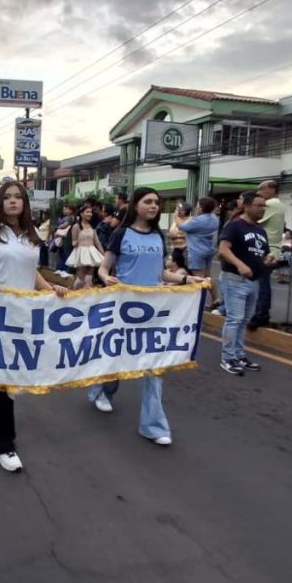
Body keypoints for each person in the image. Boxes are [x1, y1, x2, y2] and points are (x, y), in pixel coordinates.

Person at [0, 180, 68, 472]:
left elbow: (31, 271)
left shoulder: (30, 235)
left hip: (25, 314)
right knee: (5, 373)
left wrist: (50, 288)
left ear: (25, 203)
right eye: (7, 197)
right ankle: (4, 445)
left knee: (12, 371)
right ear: (0, 203)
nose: (13, 201)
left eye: (18, 197)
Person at [94, 187, 206, 443]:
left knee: (153, 369)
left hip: (154, 310)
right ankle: (102, 391)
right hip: (123, 308)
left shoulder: (158, 236)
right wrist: (104, 277)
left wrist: (187, 278)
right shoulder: (121, 234)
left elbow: (160, 275)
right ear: (136, 205)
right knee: (116, 359)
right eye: (148, 202)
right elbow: (104, 266)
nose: (154, 206)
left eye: (157, 202)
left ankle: (154, 427)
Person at [217, 192, 271, 376]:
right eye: (258, 205)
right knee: (234, 319)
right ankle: (228, 357)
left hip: (253, 280)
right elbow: (223, 249)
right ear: (247, 206)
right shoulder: (235, 226)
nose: (262, 209)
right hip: (234, 279)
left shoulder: (261, 231)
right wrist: (240, 264)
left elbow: (262, 254)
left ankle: (238, 354)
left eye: (264, 206)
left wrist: (268, 259)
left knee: (243, 321)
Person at [250, 180, 285, 328]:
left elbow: (253, 219)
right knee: (261, 283)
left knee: (262, 285)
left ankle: (261, 315)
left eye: (262, 189)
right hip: (271, 248)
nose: (259, 193)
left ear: (272, 189)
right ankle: (261, 314)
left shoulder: (271, 204)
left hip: (267, 249)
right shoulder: (279, 204)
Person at [178, 197, 220, 308]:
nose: (196, 207)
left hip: (197, 251)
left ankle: (198, 304)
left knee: (199, 278)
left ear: (201, 208)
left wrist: (176, 216)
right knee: (208, 276)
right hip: (209, 250)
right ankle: (215, 299)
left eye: (197, 205)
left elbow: (181, 226)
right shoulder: (214, 218)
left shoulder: (199, 220)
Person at [66, 205, 105, 289]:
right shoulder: (76, 226)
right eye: (87, 212)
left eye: (90, 212)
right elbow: (73, 242)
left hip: (91, 253)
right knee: (80, 280)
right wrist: (77, 241)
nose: (90, 214)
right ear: (81, 214)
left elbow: (97, 243)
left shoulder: (92, 227)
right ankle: (75, 294)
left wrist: (104, 255)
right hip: (81, 254)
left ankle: (86, 298)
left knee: (88, 280)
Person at [168, 202, 190, 272]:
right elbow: (170, 233)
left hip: (185, 250)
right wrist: (170, 234)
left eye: (179, 209)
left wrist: (177, 234)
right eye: (177, 209)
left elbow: (184, 230)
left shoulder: (191, 220)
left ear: (185, 211)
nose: (177, 211)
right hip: (175, 248)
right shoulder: (175, 221)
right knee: (174, 268)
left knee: (184, 268)